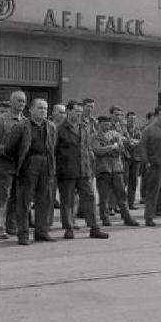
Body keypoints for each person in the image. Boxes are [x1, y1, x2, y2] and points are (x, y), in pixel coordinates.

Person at [4, 98, 57, 245]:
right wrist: (22, 161)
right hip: (29, 164)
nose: (43, 111)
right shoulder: (21, 126)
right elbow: (9, 148)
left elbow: (53, 147)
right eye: (40, 108)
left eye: (45, 109)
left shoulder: (51, 127)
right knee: (24, 202)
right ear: (31, 110)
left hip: (46, 163)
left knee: (44, 200)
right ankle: (23, 234)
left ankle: (41, 232)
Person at [56, 100, 109, 239]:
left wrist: (90, 166)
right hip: (67, 171)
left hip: (84, 170)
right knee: (67, 201)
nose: (79, 114)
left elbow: (87, 148)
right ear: (68, 111)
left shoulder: (84, 127)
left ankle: (94, 228)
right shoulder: (59, 129)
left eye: (80, 112)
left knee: (90, 198)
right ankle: (68, 228)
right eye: (76, 111)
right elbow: (54, 151)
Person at [92, 115, 140, 227]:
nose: (107, 125)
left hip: (117, 169)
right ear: (99, 124)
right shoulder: (94, 136)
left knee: (122, 196)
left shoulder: (116, 134)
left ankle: (127, 217)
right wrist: (111, 148)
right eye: (104, 123)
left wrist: (109, 149)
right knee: (104, 197)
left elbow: (121, 149)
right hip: (103, 170)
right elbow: (97, 150)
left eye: (108, 123)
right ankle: (105, 218)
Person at [0, 90, 27, 239]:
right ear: (11, 101)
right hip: (4, 164)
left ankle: (11, 226)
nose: (22, 104)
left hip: (20, 165)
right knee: (3, 197)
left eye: (24, 101)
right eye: (19, 101)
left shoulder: (26, 121)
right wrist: (4, 151)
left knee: (16, 196)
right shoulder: (1, 120)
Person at [124, 111, 142, 210]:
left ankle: (131, 202)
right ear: (127, 119)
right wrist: (131, 141)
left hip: (136, 158)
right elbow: (122, 140)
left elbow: (141, 141)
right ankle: (122, 203)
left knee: (134, 181)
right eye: (131, 119)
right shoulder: (123, 129)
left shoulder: (138, 130)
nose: (133, 121)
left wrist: (132, 141)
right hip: (126, 158)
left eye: (134, 119)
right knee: (124, 181)